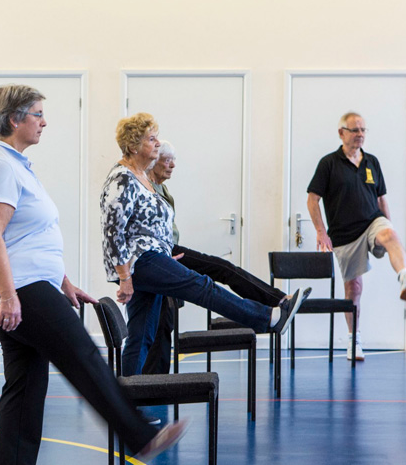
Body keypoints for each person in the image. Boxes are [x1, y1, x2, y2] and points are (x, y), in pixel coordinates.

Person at [0, 84, 190, 465]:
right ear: (14, 119)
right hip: (15, 287)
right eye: (37, 114)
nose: (44, 122)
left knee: (26, 379)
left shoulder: (16, 164)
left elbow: (28, 236)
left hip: (28, 282)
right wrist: (8, 296)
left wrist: (62, 280)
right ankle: (139, 435)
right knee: (81, 353)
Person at [102, 113, 307, 377]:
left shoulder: (141, 176)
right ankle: (267, 317)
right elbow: (113, 231)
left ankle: (127, 398)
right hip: (141, 260)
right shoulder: (122, 178)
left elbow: (147, 226)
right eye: (151, 139)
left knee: (141, 335)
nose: (157, 144)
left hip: (154, 257)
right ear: (133, 146)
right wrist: (124, 277)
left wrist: (163, 254)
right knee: (202, 286)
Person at [142, 140, 291, 375]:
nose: (172, 165)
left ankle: (155, 382)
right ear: (154, 161)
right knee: (219, 271)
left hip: (168, 251)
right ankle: (277, 300)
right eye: (167, 160)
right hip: (163, 253)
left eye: (173, 160)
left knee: (164, 319)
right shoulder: (145, 185)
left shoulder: (162, 189)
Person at [307, 111, 406, 361]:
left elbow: (381, 199)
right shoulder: (328, 164)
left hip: (372, 222)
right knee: (354, 288)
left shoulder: (372, 162)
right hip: (345, 235)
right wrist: (321, 231)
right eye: (355, 130)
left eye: (363, 130)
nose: (360, 134)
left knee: (389, 234)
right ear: (342, 133)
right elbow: (312, 199)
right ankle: (354, 340)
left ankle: (405, 277)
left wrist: (389, 226)